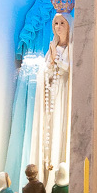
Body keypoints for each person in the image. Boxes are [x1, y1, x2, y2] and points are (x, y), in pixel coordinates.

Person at [31, 13, 72, 183]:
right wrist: (51, 61)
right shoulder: (51, 50)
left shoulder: (71, 48)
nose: (59, 27)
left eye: (63, 23)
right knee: (49, 129)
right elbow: (45, 73)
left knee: (60, 129)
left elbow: (68, 71)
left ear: (69, 26)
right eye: (56, 23)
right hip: (51, 96)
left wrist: (58, 59)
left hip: (63, 94)